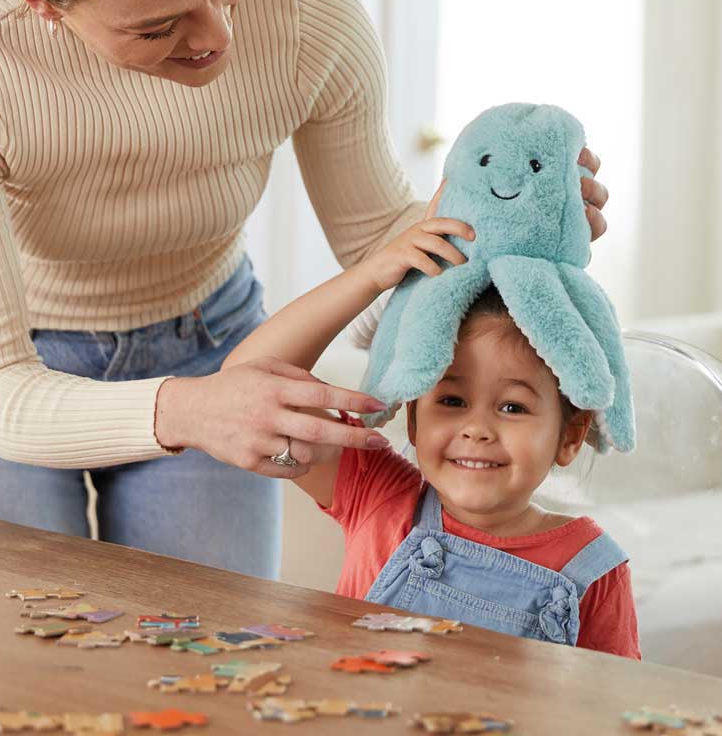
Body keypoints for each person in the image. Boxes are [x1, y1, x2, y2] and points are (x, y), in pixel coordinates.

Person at [0, 0, 609, 579]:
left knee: (207, 641)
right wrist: (187, 408)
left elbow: (381, 245)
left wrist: (503, 231)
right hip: (21, 368)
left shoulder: (305, 5)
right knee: (5, 645)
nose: (218, 36)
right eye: (157, 27)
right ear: (37, 2)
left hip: (214, 338)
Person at [223, 208, 639, 657]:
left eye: (512, 407)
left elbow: (613, 696)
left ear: (570, 437)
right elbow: (245, 381)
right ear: (414, 420)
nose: (477, 429)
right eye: (452, 401)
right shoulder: (377, 493)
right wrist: (369, 277)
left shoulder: (594, 569)